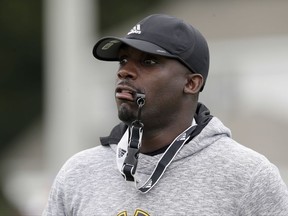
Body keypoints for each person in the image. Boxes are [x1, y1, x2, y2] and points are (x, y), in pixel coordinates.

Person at [43, 14, 288, 216]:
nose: (125, 71)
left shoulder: (248, 177)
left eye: (148, 62)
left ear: (191, 83)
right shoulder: (79, 172)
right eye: (123, 60)